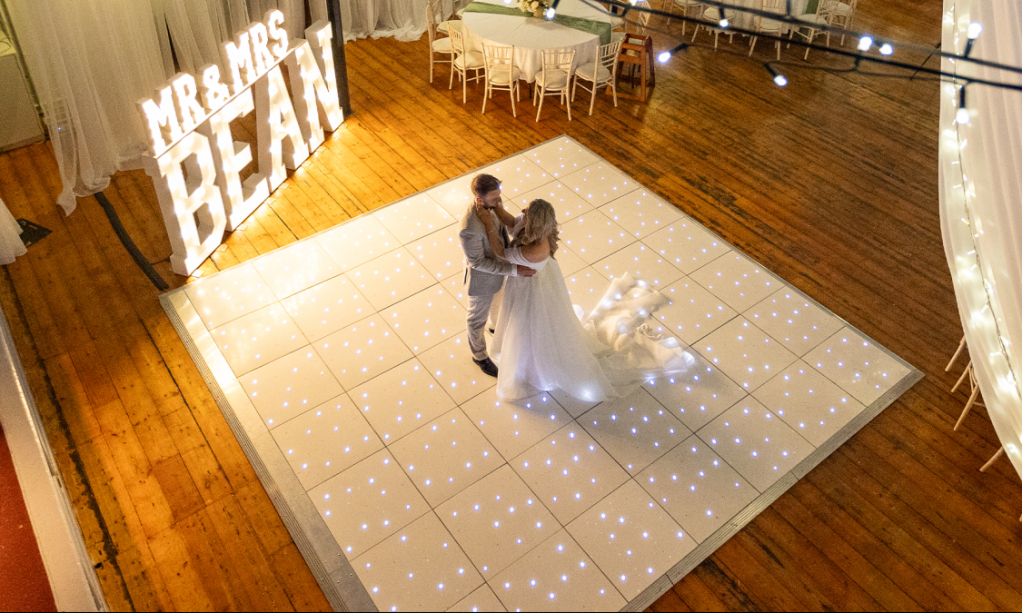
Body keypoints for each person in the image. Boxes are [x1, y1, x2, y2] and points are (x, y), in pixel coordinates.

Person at [476, 198, 693, 401]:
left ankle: (532, 363)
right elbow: (513, 222)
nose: (522, 211)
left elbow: (500, 252)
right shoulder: (538, 229)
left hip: (532, 288)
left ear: (535, 223)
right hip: (533, 281)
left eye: (527, 212)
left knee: (530, 322)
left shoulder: (537, 250)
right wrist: (496, 206)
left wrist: (488, 224)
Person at [459, 174, 535, 378]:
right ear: (479, 198)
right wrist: (514, 269)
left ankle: (495, 328)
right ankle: (479, 356)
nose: (499, 200)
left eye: (499, 195)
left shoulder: (492, 204)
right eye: (494, 197)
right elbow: (477, 263)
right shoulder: (469, 228)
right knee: (476, 320)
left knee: (497, 302)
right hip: (482, 281)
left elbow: (506, 227)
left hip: (500, 271)